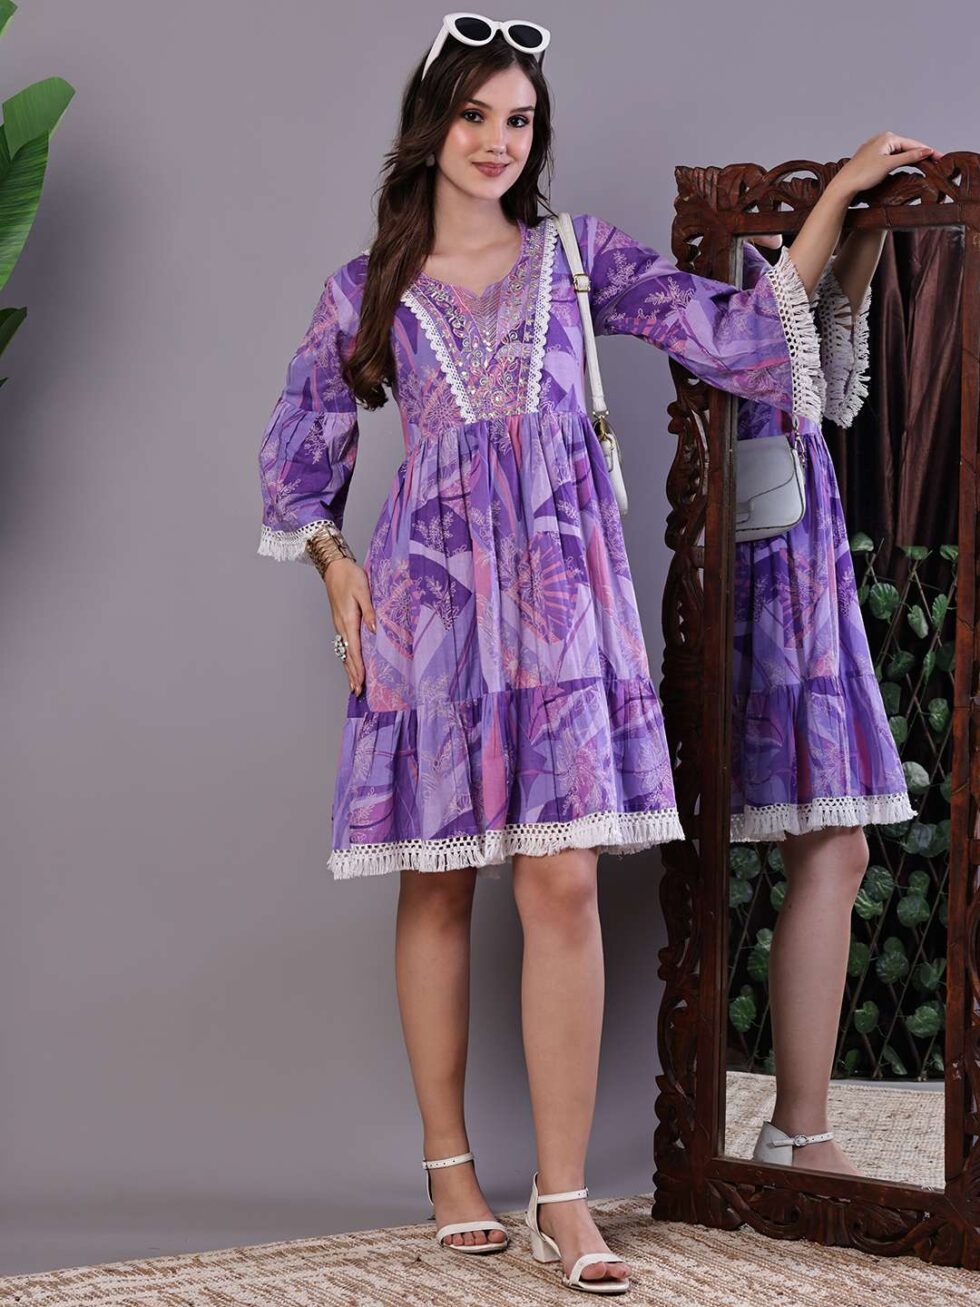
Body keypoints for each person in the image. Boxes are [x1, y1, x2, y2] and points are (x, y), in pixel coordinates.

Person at [256, 10, 940, 1294]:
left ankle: (563, 1200)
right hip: (432, 613)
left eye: (518, 120)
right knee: (438, 883)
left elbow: (739, 336)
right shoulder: (366, 288)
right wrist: (335, 564)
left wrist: (839, 198)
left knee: (560, 882)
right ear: (430, 125)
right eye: (474, 115)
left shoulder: (579, 260)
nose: (496, 141)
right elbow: (302, 448)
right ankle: (448, 1166)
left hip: (566, 616)